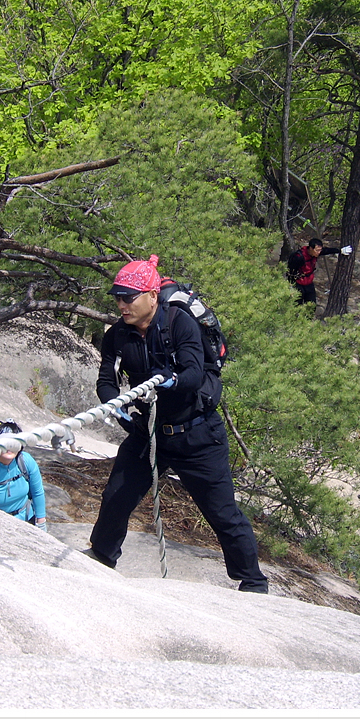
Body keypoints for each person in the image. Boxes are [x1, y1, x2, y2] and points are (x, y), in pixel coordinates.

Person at [87, 254, 269, 594]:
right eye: (118, 297)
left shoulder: (179, 324)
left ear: (152, 296)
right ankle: (101, 556)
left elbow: (194, 373)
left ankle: (253, 582)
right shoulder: (117, 336)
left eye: (129, 297)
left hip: (197, 434)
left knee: (223, 513)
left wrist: (167, 381)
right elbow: (106, 379)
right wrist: (117, 407)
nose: (122, 304)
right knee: (116, 496)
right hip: (148, 432)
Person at [285, 237, 353, 304]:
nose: (319, 252)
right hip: (298, 284)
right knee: (297, 304)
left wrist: (340, 251)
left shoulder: (316, 252)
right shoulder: (298, 257)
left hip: (309, 283)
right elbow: (290, 271)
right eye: (317, 250)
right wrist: (291, 285)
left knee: (311, 304)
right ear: (311, 248)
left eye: (320, 250)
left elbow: (326, 251)